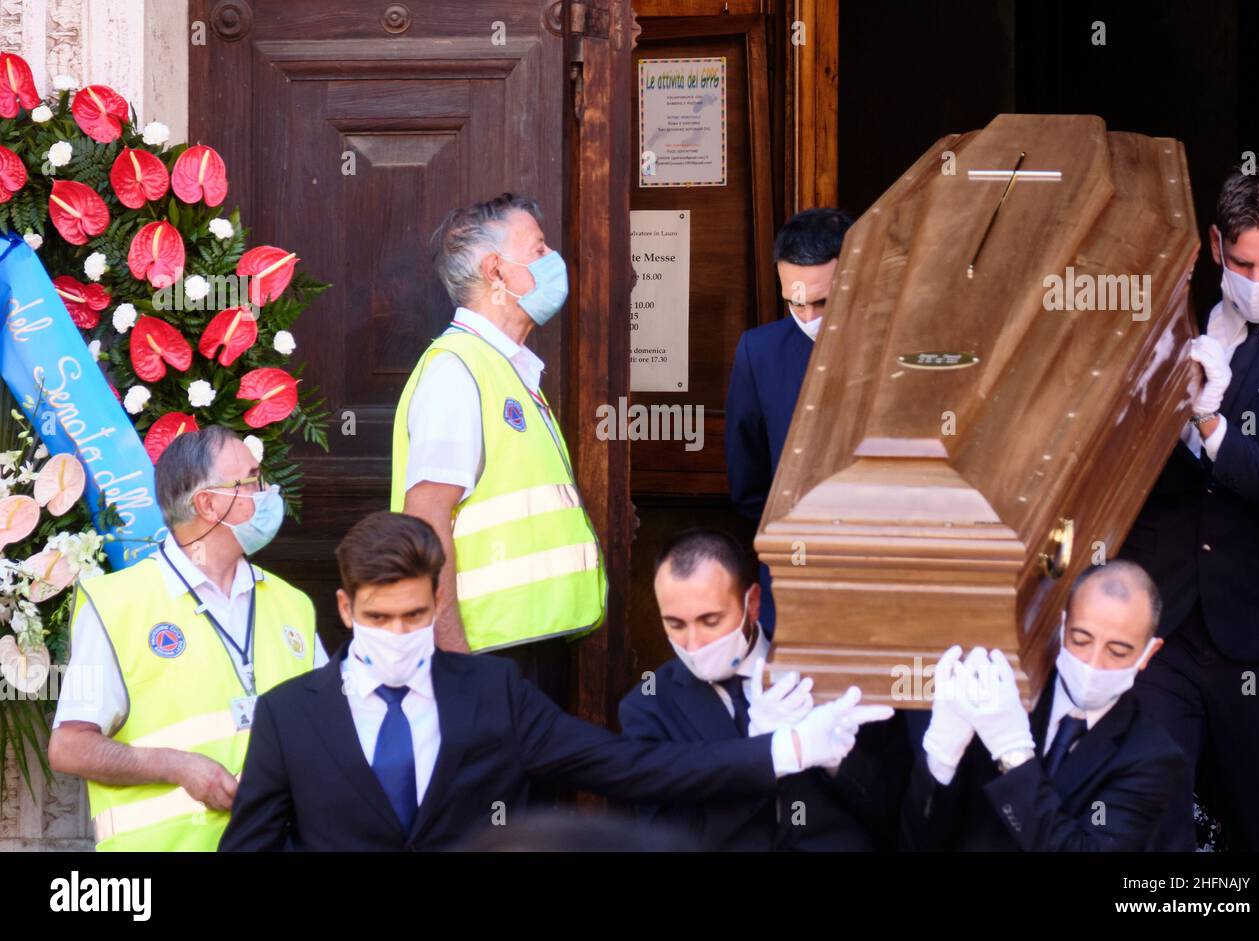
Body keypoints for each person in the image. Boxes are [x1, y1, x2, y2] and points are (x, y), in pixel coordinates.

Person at [218, 512, 880, 851]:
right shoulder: (289, 716)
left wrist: (783, 750)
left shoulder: (492, 691)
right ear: (344, 609)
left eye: (415, 613)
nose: (398, 631)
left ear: (438, 600)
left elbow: (631, 768)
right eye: (378, 617)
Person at [1119, 162, 1259, 851]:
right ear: (1218, 247)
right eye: (1245, 262)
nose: (1258, 279)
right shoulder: (1171, 325)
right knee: (1156, 816)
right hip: (1169, 626)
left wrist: (1215, 429)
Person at [47, 426, 323, 851]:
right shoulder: (115, 604)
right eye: (253, 480)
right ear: (208, 504)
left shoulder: (293, 605)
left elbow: (336, 724)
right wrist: (177, 766)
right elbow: (68, 747)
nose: (270, 490)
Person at [392, 193, 604, 706]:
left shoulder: (506, 366)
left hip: (530, 644)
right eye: (538, 249)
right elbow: (425, 517)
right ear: (496, 271)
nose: (553, 260)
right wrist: (453, 657)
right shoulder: (456, 370)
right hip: (486, 654)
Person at [619, 528, 911, 851]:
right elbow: (667, 839)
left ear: (753, 603)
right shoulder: (649, 708)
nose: (693, 643)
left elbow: (898, 815)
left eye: (710, 620)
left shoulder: (831, 671)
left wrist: (838, 763)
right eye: (675, 624)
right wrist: (761, 753)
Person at [903, 561, 1194, 852]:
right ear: (1063, 625)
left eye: (1117, 651)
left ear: (1148, 653)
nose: (1093, 663)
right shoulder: (1004, 691)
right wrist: (940, 758)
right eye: (1081, 640)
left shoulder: (1151, 756)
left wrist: (1013, 755)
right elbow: (920, 840)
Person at [724, 208, 854, 635]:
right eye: (795, 302)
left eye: (822, 302)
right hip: (792, 573)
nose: (808, 317)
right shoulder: (758, 352)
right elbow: (749, 480)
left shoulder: (901, 346)